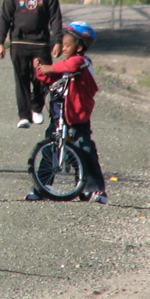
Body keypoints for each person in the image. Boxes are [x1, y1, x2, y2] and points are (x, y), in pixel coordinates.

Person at [27, 20, 107, 204]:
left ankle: (95, 190)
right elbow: (50, 76)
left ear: (79, 47)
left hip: (77, 119)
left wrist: (50, 67)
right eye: (62, 44)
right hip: (59, 118)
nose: (63, 48)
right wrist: (40, 69)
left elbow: (71, 66)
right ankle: (42, 187)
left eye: (67, 45)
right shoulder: (64, 65)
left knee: (84, 150)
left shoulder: (82, 63)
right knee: (49, 151)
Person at [0, 0, 63, 128]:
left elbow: (55, 18)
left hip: (40, 43)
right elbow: (4, 18)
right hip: (19, 42)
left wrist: (58, 41)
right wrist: (0, 42)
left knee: (42, 77)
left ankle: (37, 107)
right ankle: (24, 115)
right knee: (22, 79)